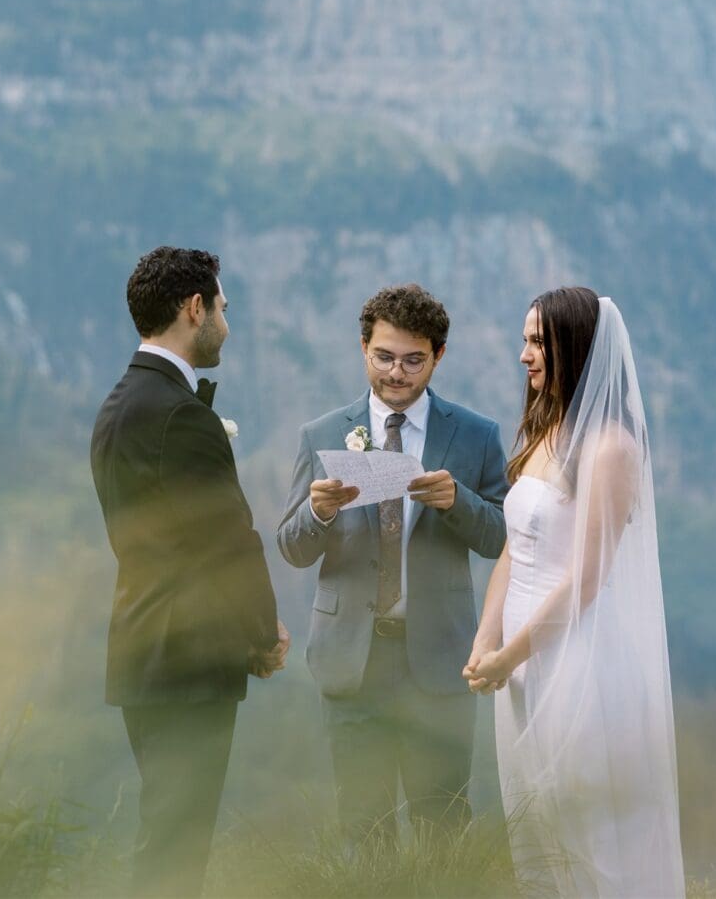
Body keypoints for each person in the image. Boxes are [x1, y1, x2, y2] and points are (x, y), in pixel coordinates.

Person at [466, 287, 685, 898]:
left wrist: (510, 655)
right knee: (535, 822)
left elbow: (586, 577)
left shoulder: (610, 446)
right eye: (525, 340)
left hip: (578, 657)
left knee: (587, 829)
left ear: (574, 347)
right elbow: (514, 548)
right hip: (520, 658)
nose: (524, 355)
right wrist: (488, 639)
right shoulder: (545, 429)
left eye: (537, 342)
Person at [90, 246, 289, 898]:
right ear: (194, 308)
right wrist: (262, 633)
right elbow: (228, 540)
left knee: (165, 835)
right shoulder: (181, 415)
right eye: (223, 309)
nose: (226, 325)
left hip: (141, 647)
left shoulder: (117, 405)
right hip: (189, 658)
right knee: (178, 848)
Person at [278, 283, 508, 847]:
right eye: (383, 357)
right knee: (363, 830)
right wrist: (319, 512)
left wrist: (458, 502)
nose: (396, 374)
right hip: (351, 659)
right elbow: (292, 547)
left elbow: (504, 538)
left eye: (413, 360)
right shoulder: (322, 433)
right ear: (363, 348)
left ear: (438, 356)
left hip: (439, 659)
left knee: (443, 825)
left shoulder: (476, 435)